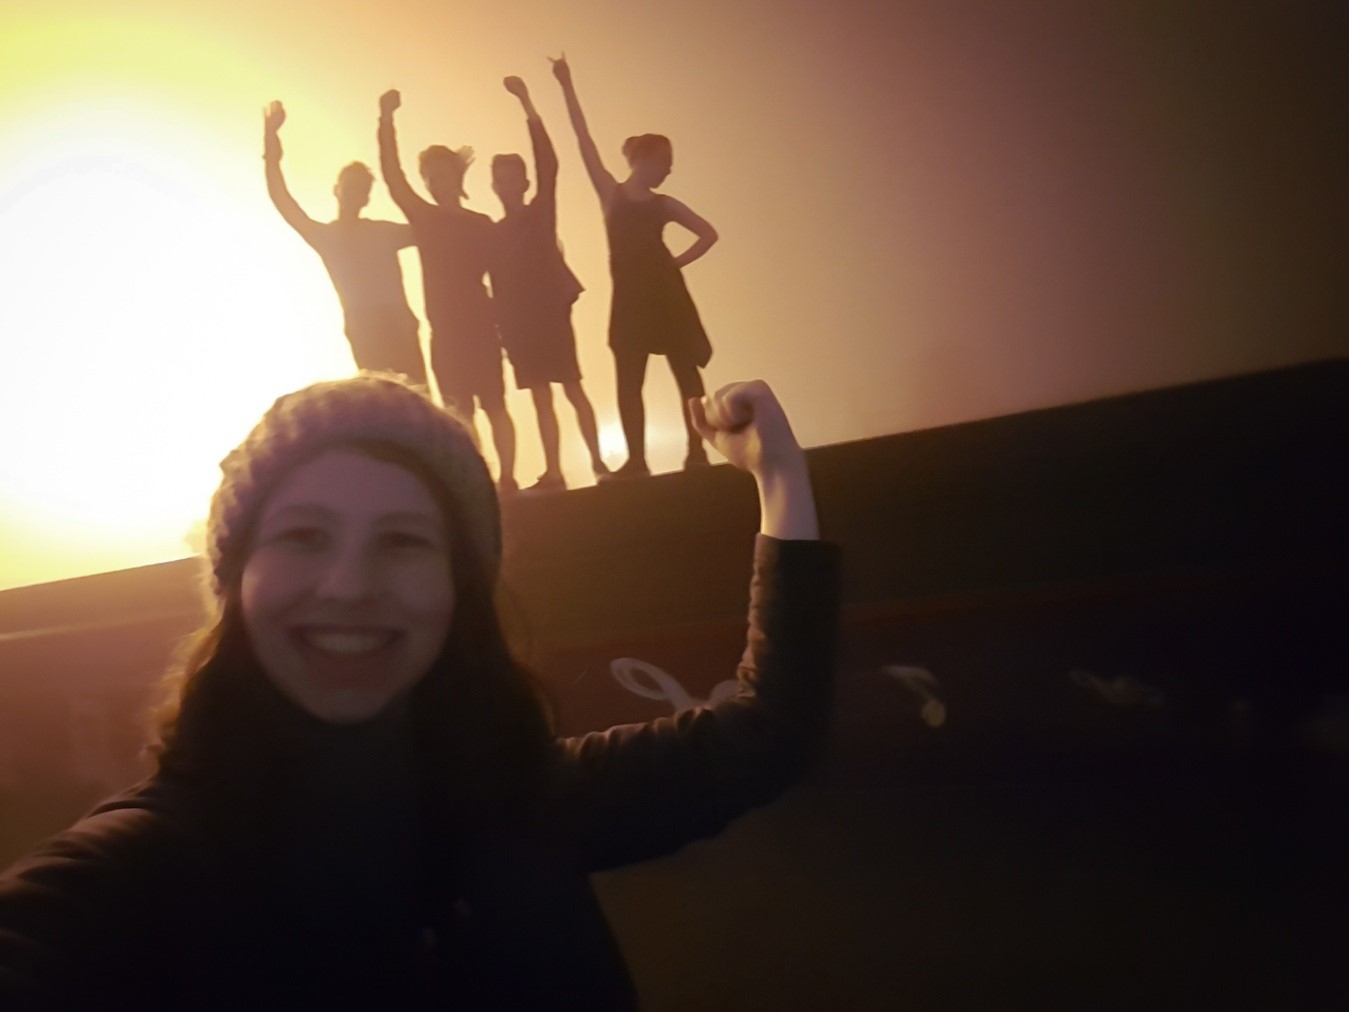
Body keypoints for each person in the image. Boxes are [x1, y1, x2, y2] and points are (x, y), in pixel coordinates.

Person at [0, 372, 839, 1009]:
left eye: (402, 541)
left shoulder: (523, 804)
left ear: (456, 592)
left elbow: (767, 731)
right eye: (304, 535)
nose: (348, 586)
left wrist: (778, 478)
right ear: (238, 583)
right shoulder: (141, 866)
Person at [552, 55, 720, 480]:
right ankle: (637, 462)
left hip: (667, 297)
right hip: (630, 299)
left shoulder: (664, 204)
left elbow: (708, 233)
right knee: (629, 379)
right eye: (665, 159)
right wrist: (566, 85)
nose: (670, 167)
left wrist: (674, 265)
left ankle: (697, 452)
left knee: (685, 374)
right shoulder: (612, 195)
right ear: (644, 158)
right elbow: (583, 140)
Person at [377, 89, 519, 495]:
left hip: (481, 326)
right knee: (460, 413)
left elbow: (503, 280)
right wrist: (386, 120)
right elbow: (393, 177)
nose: (437, 182)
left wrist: (505, 329)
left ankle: (508, 478)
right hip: (446, 331)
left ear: (457, 177)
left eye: (444, 174)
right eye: (431, 177)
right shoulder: (423, 217)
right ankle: (479, 481)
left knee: (496, 406)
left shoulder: (481, 223)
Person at [490, 75, 609, 492]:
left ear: (523, 183)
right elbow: (496, 285)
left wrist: (527, 104)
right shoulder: (494, 233)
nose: (507, 185)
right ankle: (554, 472)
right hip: (521, 325)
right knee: (541, 396)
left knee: (573, 387)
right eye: (500, 180)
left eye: (513, 178)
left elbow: (549, 164)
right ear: (494, 186)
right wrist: (502, 329)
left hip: (551, 315)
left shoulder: (540, 211)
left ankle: (599, 463)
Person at [262, 100, 428, 386]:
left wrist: (386, 120)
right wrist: (271, 140)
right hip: (362, 324)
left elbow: (432, 229)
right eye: (350, 187)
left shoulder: (384, 232)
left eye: (362, 189)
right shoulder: (326, 237)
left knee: (415, 397)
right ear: (337, 190)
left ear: (367, 197)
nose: (355, 194)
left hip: (398, 320)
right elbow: (282, 199)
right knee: (377, 400)